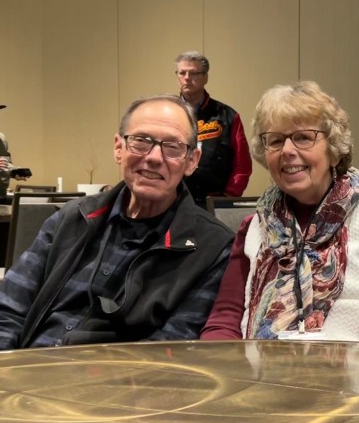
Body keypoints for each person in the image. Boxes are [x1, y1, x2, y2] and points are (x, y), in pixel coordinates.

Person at [0, 95, 234, 348]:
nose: (155, 157)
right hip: (23, 364)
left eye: (172, 147)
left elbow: (169, 348)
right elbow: (8, 310)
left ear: (192, 161)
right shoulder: (71, 217)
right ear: (118, 148)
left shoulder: (212, 248)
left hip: (114, 371)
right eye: (141, 141)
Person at [201, 81, 359, 344]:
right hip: (256, 369)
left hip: (353, 369)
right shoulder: (254, 226)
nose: (287, 151)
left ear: (334, 150)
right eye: (276, 140)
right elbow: (222, 324)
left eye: (303, 137)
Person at [175, 51, 253, 206]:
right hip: (174, 201)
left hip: (215, 203)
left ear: (205, 77)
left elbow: (242, 165)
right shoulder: (166, 114)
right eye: (182, 73)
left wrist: (227, 197)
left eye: (193, 73)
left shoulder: (228, 116)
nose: (187, 78)